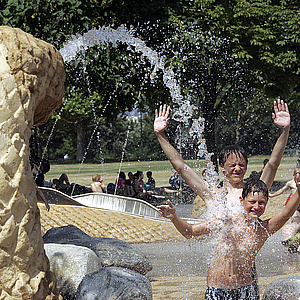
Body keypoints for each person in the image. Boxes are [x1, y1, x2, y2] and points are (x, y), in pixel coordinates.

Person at [154, 100, 290, 297]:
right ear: (222, 166)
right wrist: (160, 134)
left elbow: (273, 164)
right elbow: (180, 167)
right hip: (219, 278)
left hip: (246, 276)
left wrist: (283, 131)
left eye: (242, 164)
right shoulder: (212, 194)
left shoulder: (253, 191)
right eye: (232, 164)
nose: (237, 168)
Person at [157, 178, 300, 299]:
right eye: (252, 201)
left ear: (266, 202)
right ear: (241, 200)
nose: (256, 207)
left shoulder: (263, 229)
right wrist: (174, 217)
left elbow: (286, 213)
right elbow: (190, 232)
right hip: (216, 288)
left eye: (261, 203)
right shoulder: (225, 221)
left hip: (245, 290)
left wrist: (299, 190)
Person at [269, 166, 300, 252]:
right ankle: (293, 244)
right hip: (296, 206)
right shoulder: (291, 183)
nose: (298, 176)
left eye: (299, 173)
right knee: (295, 222)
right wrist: (272, 195)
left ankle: (295, 243)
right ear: (293, 175)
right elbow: (282, 190)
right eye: (296, 174)